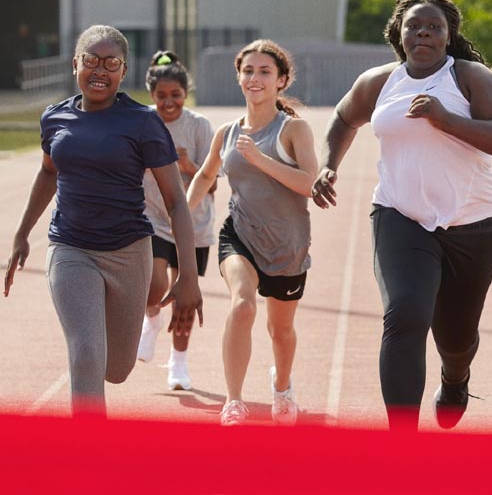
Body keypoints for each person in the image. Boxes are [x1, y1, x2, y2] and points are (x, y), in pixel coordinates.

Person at [311, 0, 492, 430]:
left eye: (435, 27)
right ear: (400, 34)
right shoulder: (380, 82)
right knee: (406, 313)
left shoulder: (471, 79)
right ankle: (403, 443)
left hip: (472, 222)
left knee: (456, 336)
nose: (424, 32)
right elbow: (343, 118)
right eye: (414, 26)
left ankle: (455, 377)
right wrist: (328, 166)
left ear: (449, 37)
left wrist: (448, 119)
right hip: (399, 215)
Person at [4, 25, 203, 417]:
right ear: (75, 64)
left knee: (117, 368)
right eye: (90, 60)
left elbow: (176, 202)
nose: (99, 69)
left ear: (123, 70)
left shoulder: (143, 122)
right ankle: (89, 455)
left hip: (129, 252)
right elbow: (48, 173)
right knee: (86, 352)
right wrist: (22, 233)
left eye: (110, 62)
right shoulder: (55, 118)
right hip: (71, 248)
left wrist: (190, 277)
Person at [187, 39, 317, 426]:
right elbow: (205, 175)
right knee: (242, 304)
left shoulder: (294, 130)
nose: (254, 78)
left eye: (264, 72)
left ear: (282, 81)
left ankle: (281, 387)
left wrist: (260, 160)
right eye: (248, 71)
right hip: (238, 235)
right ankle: (234, 401)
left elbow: (309, 183)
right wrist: (177, 217)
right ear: (239, 78)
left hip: (287, 246)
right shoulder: (226, 132)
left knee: (281, 331)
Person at [136, 51, 216, 391]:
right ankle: (151, 319)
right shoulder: (143, 123)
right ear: (152, 95)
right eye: (161, 96)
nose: (169, 103)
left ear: (186, 93)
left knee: (185, 297)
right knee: (152, 286)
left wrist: (186, 166)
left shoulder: (199, 127)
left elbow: (212, 183)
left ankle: (179, 363)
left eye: (176, 95)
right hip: (153, 218)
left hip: (193, 225)